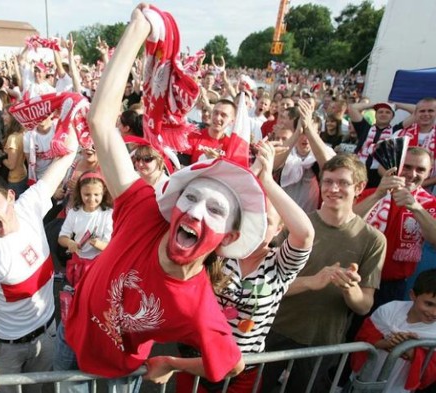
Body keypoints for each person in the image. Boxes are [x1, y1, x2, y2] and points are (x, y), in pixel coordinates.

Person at [59, 4, 268, 390]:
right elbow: (101, 122)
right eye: (192, 197)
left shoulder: (199, 305)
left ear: (230, 238)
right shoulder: (143, 210)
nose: (196, 211)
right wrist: (138, 30)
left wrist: (174, 362)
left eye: (216, 209)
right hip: (66, 336)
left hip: (120, 373)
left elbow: (232, 365)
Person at [176, 140, 314, 393]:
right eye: (253, 218)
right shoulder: (221, 249)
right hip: (196, 362)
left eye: (267, 221)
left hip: (243, 370)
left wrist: (269, 183)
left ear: (279, 229)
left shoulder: (280, 264)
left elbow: (305, 235)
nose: (258, 227)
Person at [0, 127, 78, 392]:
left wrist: (72, 130)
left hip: (47, 334)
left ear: (10, 196)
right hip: (7, 348)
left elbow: (62, 163)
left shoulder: (29, 206)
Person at [262, 154, 386, 393]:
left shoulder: (373, 240)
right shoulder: (298, 225)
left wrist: (350, 288)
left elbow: (363, 306)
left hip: (322, 342)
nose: (333, 189)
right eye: (327, 181)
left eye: (342, 182)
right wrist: (311, 282)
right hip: (274, 331)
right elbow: (266, 285)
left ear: (360, 187)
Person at [354, 147, 436, 307]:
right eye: (407, 167)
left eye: (420, 169)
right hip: (355, 275)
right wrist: (378, 194)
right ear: (396, 166)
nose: (412, 174)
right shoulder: (371, 193)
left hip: (391, 285)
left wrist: (415, 207)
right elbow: (344, 223)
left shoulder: (430, 204)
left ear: (429, 173)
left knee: (375, 331)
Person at [351, 268, 436, 393]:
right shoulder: (389, 310)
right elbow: (362, 338)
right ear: (412, 295)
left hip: (397, 388)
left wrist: (410, 350)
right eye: (429, 304)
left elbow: (430, 372)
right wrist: (387, 343)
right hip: (364, 380)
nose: (434, 313)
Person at [58, 170, 113, 287]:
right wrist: (69, 242)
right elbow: (62, 237)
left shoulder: (108, 214)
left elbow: (111, 245)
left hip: (98, 264)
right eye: (87, 194)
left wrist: (99, 244)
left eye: (96, 195)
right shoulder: (74, 213)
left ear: (103, 192)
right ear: (80, 193)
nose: (92, 199)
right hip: (78, 262)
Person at [347, 101, 402, 188]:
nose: (383, 114)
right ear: (375, 115)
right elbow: (352, 108)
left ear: (392, 116)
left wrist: (397, 105)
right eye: (380, 112)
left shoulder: (396, 130)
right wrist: (374, 104)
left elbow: (415, 112)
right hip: (358, 170)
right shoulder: (365, 127)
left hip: (379, 176)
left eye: (388, 112)